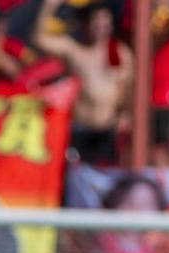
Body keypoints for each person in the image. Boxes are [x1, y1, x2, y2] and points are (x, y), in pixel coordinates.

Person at [35, 0, 131, 163]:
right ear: (84, 24)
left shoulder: (118, 52)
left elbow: (129, 87)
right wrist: (50, 6)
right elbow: (39, 39)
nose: (102, 27)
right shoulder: (74, 50)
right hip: (79, 131)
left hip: (107, 132)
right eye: (97, 22)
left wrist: (126, 114)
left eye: (106, 22)